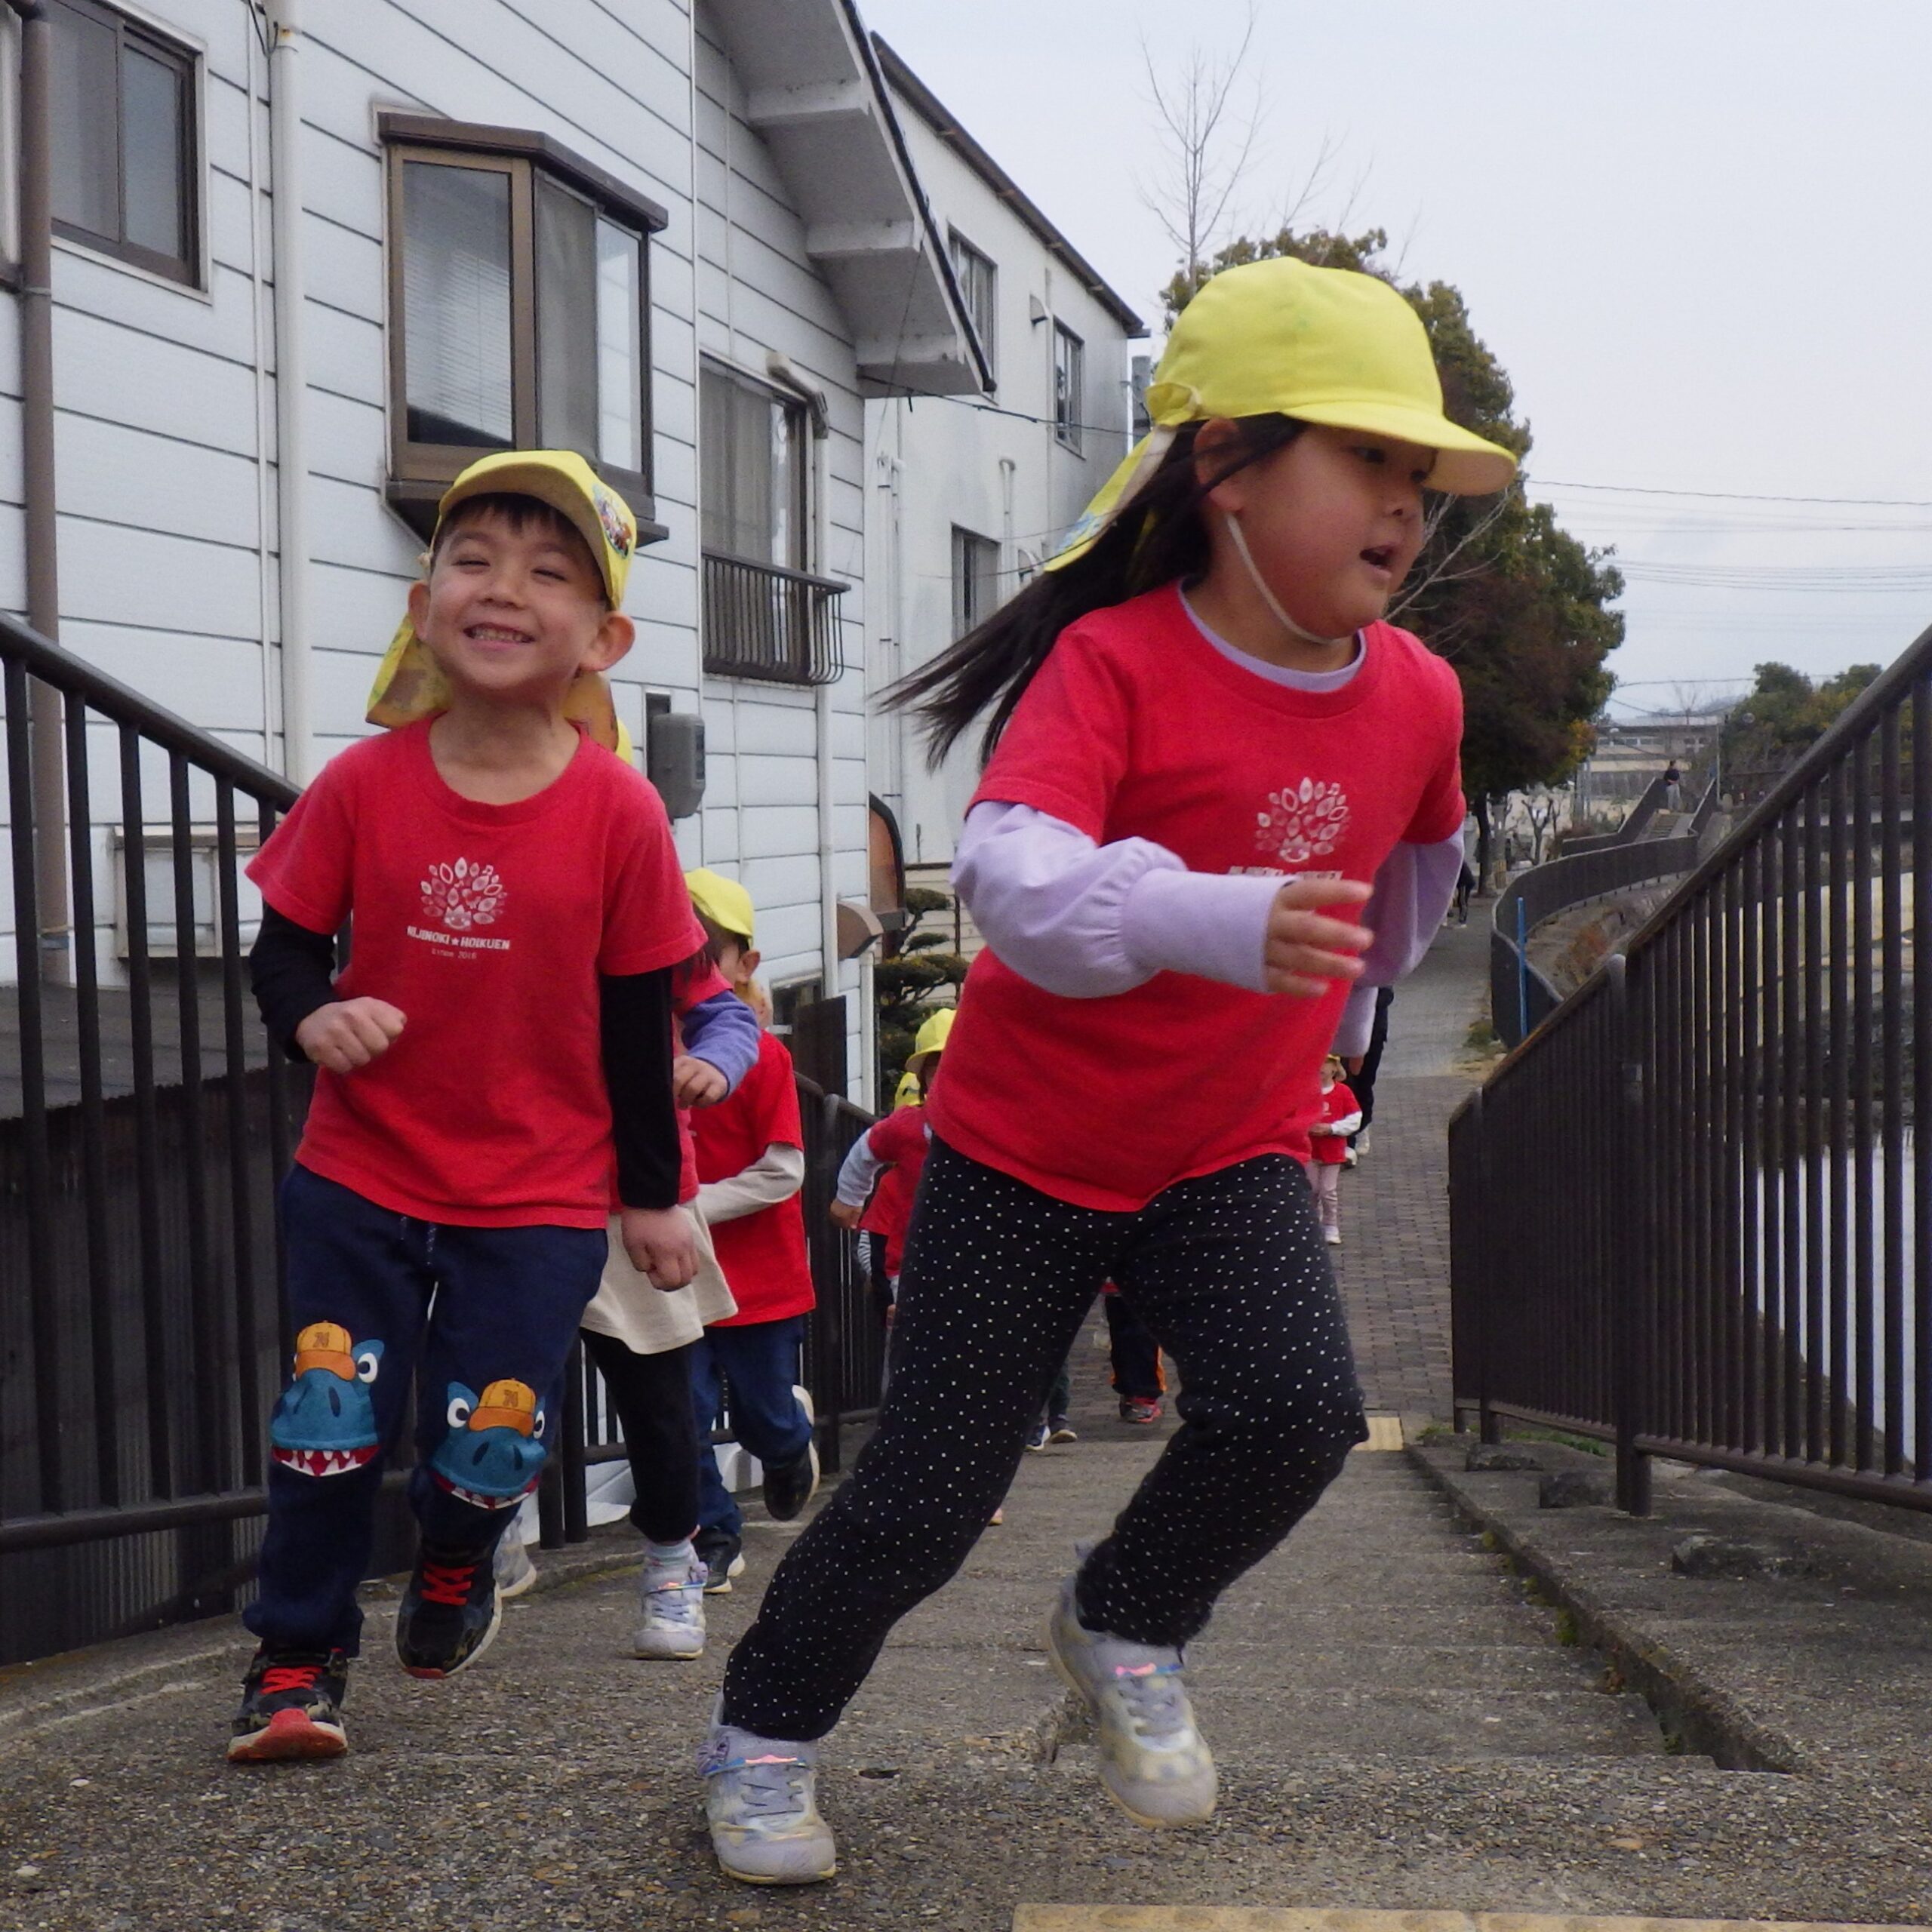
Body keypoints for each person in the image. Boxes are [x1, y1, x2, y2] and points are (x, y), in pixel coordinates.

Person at [694, 256, 1516, 1883]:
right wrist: (1213, 916)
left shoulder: (1415, 695)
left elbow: (1407, 893)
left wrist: (1333, 1059)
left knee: (1294, 1417)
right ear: (1221, 467)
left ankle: (1125, 1614)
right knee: (928, 1492)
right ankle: (763, 1738)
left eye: (1418, 479)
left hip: (1228, 1145)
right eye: (1363, 461)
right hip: (1018, 1151)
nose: (1402, 509)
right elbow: (1009, 881)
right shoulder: (1119, 663)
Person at [230, 451, 703, 1763]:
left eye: (549, 572)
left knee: (485, 1444)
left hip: (540, 1191)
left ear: (601, 636)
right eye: (475, 561)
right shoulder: (363, 785)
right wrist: (310, 1016)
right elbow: (280, 952)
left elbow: (635, 1016)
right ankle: (295, 1663)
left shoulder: (619, 809)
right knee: (327, 1428)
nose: (504, 590)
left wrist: (653, 1196)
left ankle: (457, 1555)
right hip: (361, 1169)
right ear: (426, 596)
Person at [685, 870, 823, 1598]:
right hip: (674, 1276)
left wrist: (688, 1204)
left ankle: (789, 1444)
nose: (690, 958)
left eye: (708, 946)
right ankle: (713, 1536)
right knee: (685, 1412)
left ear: (746, 965)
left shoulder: (765, 1058)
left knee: (763, 1416)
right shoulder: (639, 1052)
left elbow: (784, 1172)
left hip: (759, 1281)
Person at [1306, 1057, 1363, 1246]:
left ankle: (1331, 1225)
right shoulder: (1307, 1092)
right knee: (1311, 1189)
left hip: (1332, 1150)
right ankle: (1313, 1225)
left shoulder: (1343, 1092)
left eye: (1326, 1063)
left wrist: (1332, 1129)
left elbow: (1355, 1118)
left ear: (1334, 1069)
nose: (1321, 1068)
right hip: (1310, 1151)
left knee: (1328, 1191)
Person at [1105, 1284, 1164, 1424]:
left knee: (1142, 1337)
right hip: (1115, 1287)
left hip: (1144, 1283)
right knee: (1120, 1340)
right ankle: (1129, 1392)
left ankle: (1146, 1396)